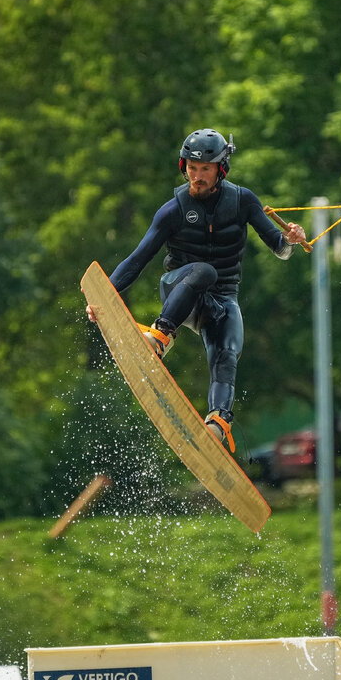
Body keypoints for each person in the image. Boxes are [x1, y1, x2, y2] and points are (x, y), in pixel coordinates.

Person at [87, 128, 307, 453]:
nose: (197, 176)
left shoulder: (244, 201)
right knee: (204, 270)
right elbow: (137, 259)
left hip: (221, 299)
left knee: (228, 350)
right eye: (192, 167)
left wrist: (290, 240)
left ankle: (218, 424)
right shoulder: (173, 210)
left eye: (205, 169)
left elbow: (278, 246)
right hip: (180, 290)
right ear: (183, 165)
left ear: (221, 169)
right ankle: (160, 338)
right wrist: (103, 298)